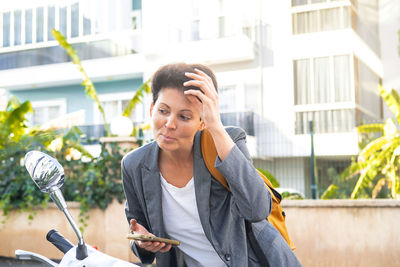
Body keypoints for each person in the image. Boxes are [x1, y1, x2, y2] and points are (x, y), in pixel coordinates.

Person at [122, 63, 301, 266]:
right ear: (152, 108)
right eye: (163, 110)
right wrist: (143, 243)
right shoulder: (134, 165)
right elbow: (140, 237)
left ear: (202, 121)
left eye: (184, 116)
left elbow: (257, 209)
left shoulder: (226, 141)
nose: (170, 123)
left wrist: (216, 126)